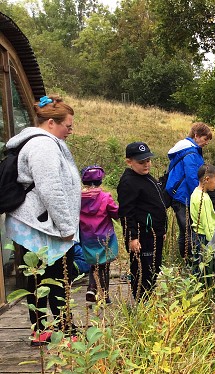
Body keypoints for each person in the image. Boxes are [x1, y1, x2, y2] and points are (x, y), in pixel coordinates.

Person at [3, 95, 80, 345]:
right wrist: (67, 227)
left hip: (36, 223)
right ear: (50, 122)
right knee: (56, 276)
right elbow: (51, 189)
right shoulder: (43, 146)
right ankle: (62, 331)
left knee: (37, 277)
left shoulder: (42, 142)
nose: (70, 130)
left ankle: (42, 329)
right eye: (67, 125)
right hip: (41, 225)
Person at [117, 142, 168, 301]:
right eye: (141, 162)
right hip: (142, 236)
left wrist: (162, 230)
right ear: (129, 162)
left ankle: (149, 298)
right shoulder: (128, 182)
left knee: (154, 267)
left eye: (148, 160)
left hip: (155, 234)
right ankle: (141, 301)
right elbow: (126, 212)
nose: (146, 164)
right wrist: (132, 237)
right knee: (142, 271)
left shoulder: (146, 177)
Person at [164, 122, 212, 259]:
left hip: (183, 195)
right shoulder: (190, 152)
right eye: (205, 139)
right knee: (188, 230)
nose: (207, 142)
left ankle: (187, 259)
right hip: (182, 196)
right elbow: (192, 177)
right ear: (196, 135)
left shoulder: (189, 150)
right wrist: (199, 195)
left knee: (185, 230)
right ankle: (189, 261)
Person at [79, 165, 119, 304]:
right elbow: (115, 213)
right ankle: (104, 295)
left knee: (93, 264)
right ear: (100, 181)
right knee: (105, 266)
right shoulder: (105, 197)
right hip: (105, 237)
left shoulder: (79, 197)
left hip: (87, 237)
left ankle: (91, 287)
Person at [189, 163, 215, 262]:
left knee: (197, 264)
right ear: (207, 179)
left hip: (196, 234)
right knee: (203, 268)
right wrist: (214, 244)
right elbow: (207, 223)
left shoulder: (195, 192)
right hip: (204, 238)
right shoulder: (203, 198)